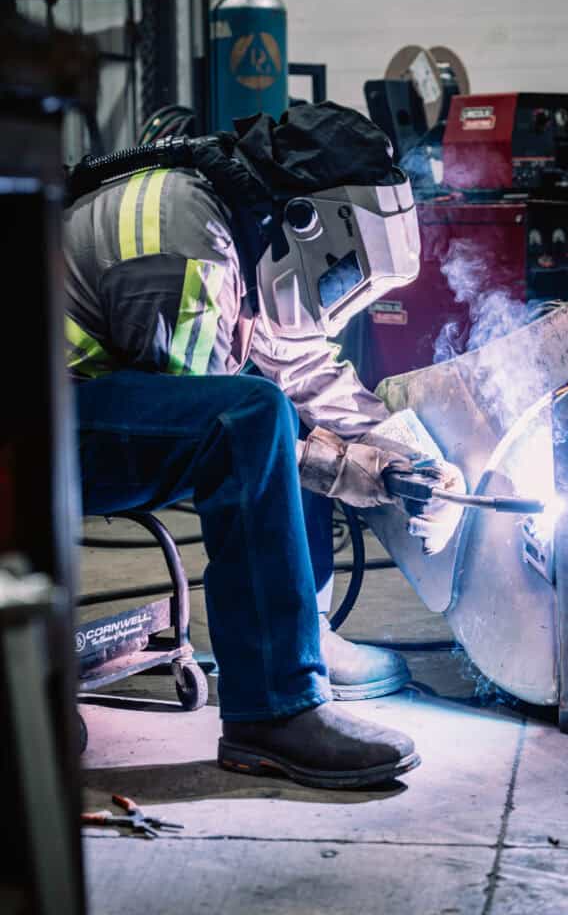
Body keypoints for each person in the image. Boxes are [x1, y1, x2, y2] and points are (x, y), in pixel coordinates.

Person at [64, 102, 464, 789]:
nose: (339, 301)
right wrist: (337, 465)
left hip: (72, 412)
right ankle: (275, 710)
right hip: (32, 429)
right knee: (254, 420)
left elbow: (300, 365)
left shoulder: (235, 222)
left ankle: (300, 637)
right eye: (343, 279)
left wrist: (401, 450)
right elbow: (206, 418)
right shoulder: (178, 240)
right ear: (308, 222)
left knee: (278, 412)